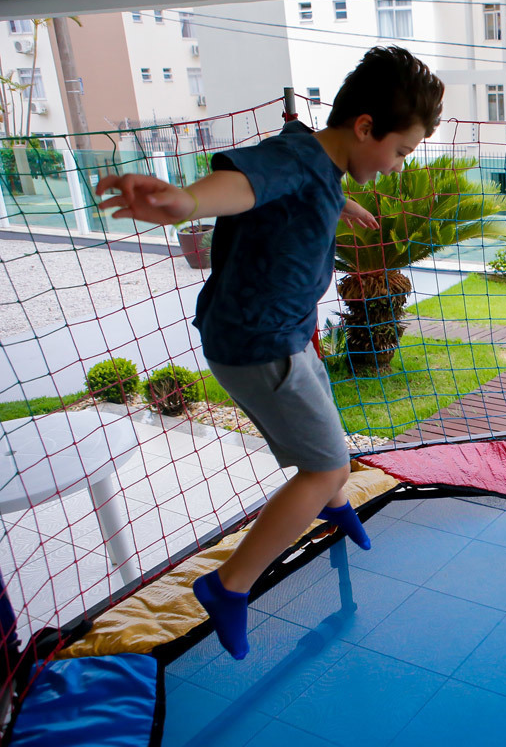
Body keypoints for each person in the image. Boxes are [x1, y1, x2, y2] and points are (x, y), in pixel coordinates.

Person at [93, 47, 444, 659]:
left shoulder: (314, 158)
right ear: (366, 127)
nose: (397, 166)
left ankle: (333, 506)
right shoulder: (294, 160)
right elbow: (244, 184)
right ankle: (228, 586)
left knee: (326, 420)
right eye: (401, 151)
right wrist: (185, 203)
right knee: (327, 464)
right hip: (259, 345)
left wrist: (337, 202)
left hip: (282, 333)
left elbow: (292, 188)